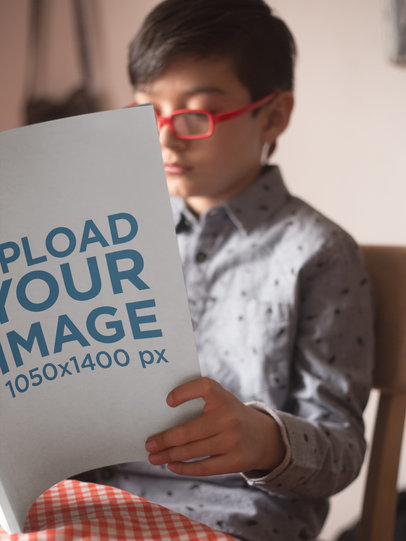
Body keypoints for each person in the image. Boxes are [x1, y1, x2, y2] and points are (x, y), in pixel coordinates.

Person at [85, 1, 375, 539]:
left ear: (273, 116)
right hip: (98, 502)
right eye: (148, 113)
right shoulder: (116, 237)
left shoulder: (319, 253)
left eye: (195, 114)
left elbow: (342, 448)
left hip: (239, 519)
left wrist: (260, 437)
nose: (166, 138)